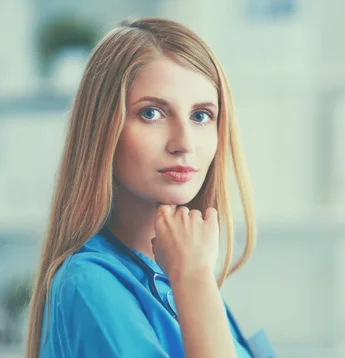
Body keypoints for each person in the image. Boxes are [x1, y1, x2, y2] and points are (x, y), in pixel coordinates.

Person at [24, 17, 276, 358]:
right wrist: (195, 283)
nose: (183, 143)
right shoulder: (89, 285)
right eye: (152, 113)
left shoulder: (182, 276)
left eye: (201, 116)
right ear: (103, 130)